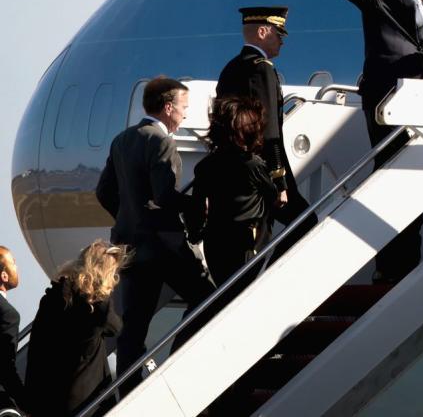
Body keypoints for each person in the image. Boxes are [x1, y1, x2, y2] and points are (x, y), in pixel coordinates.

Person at [325, 0, 423, 283]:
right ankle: (387, 268)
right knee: (389, 178)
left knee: (415, 184)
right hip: (386, 100)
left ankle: (407, 266)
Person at [95, 77, 214, 395]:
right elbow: (164, 195)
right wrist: (196, 206)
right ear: (168, 107)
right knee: (209, 298)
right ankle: (178, 358)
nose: (186, 115)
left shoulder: (122, 140)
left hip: (129, 245)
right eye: (184, 108)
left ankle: (128, 392)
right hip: (163, 244)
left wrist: (129, 217)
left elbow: (103, 191)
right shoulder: (159, 141)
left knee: (133, 327)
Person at [215, 7, 315, 255]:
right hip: (261, 168)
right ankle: (271, 276)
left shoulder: (230, 68)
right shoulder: (262, 69)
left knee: (257, 234)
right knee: (304, 223)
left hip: (232, 166)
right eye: (278, 34)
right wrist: (279, 180)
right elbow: (269, 130)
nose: (282, 40)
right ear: (262, 32)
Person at [25, 241, 129, 417]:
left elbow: (35, 351)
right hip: (87, 403)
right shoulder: (98, 306)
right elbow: (116, 327)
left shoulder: (52, 298)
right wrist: (102, 291)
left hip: (49, 400)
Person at [192, 97, 277, 290]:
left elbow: (196, 209)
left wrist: (196, 233)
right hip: (246, 243)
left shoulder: (205, 167)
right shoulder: (253, 165)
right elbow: (273, 197)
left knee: (226, 293)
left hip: (215, 243)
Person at [0, 247, 27, 416]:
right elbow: (4, 367)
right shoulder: (7, 314)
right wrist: (26, 402)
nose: (16, 267)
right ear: (3, 275)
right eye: (13, 263)